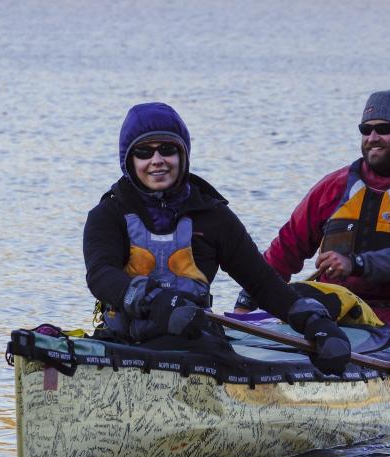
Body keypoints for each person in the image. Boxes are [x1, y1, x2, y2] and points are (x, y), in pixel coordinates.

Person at [83, 102, 351, 375]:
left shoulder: (214, 216)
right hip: (123, 343)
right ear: (129, 161)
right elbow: (101, 275)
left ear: (183, 155)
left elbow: (262, 283)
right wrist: (157, 303)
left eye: (167, 150)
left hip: (193, 345)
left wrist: (316, 323)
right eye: (143, 152)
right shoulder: (108, 214)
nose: (157, 161)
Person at [234, 90, 390, 330]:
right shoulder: (334, 186)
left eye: (383, 129)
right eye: (366, 130)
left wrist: (356, 263)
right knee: (296, 297)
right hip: (333, 307)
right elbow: (287, 247)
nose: (372, 137)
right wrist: (246, 302)